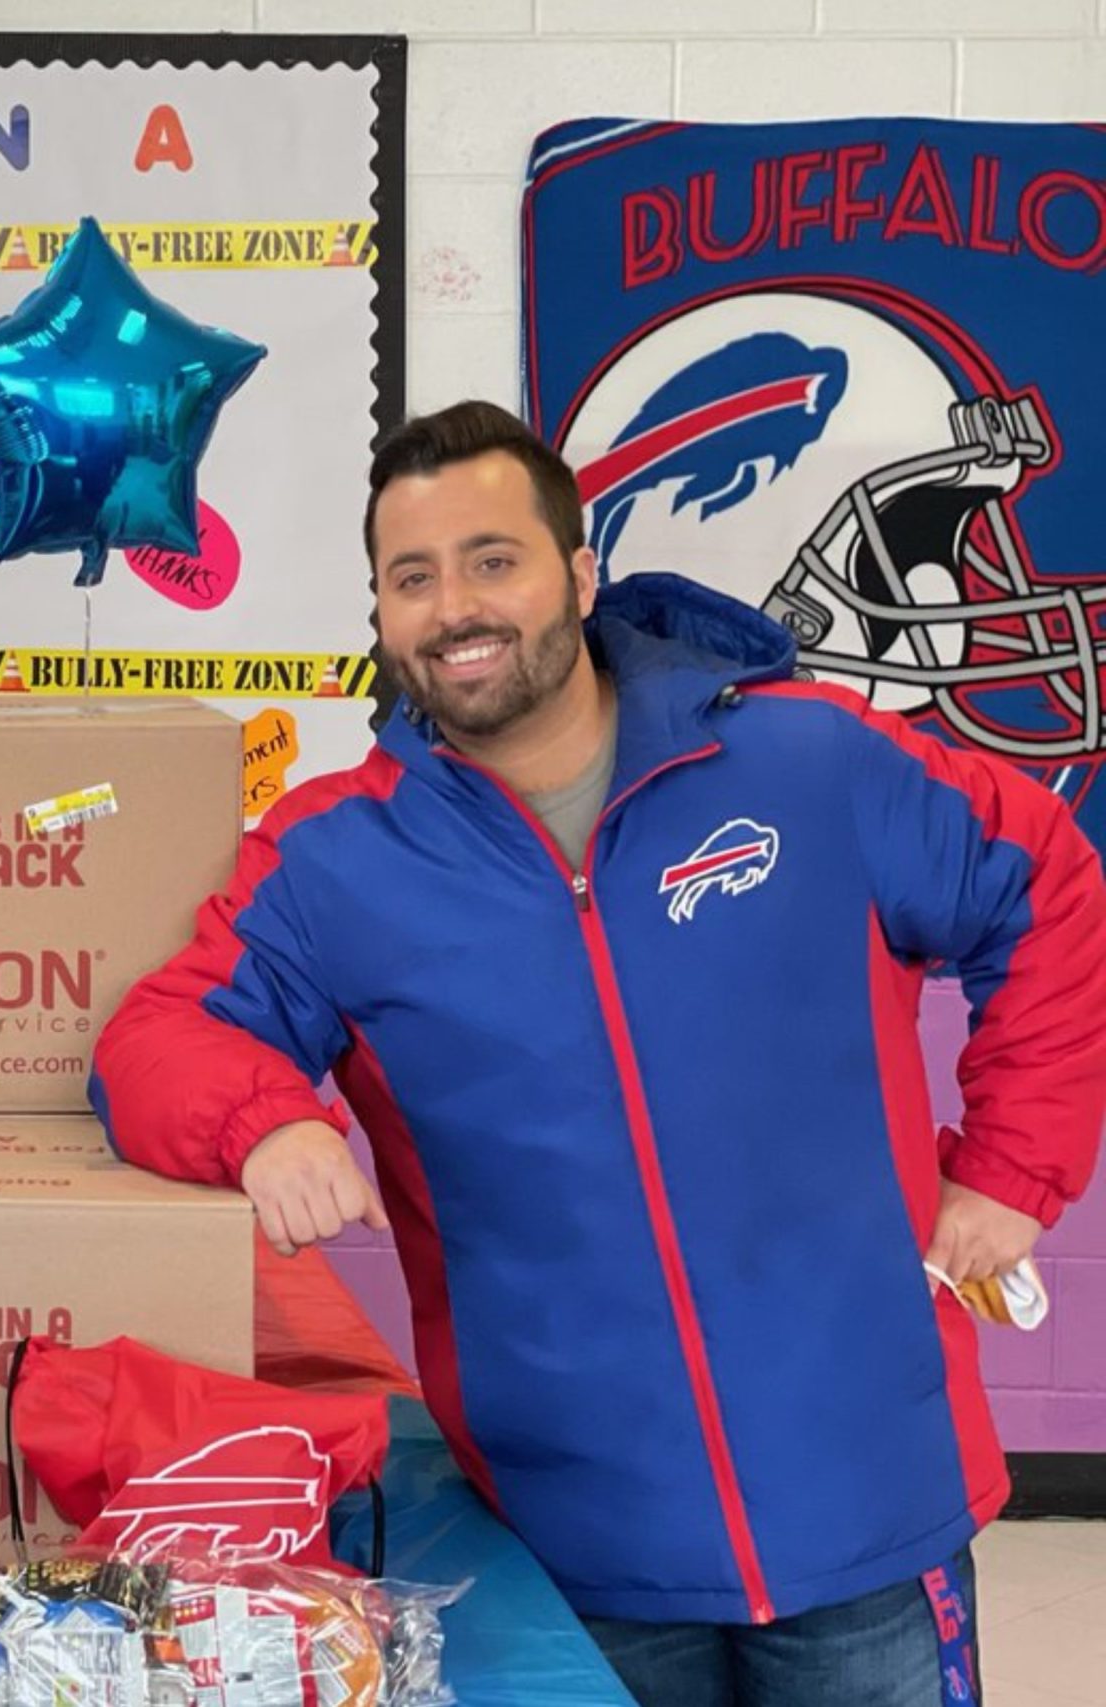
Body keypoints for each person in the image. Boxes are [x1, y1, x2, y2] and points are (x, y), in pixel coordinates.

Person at [92, 400, 1106, 1706]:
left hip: (867, 1510)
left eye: (492, 559)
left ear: (578, 572)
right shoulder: (338, 861)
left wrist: (1017, 1171)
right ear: (384, 614)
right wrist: (264, 1120)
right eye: (413, 578)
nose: (454, 604)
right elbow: (155, 1039)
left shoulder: (804, 762)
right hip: (576, 1551)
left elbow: (1048, 888)